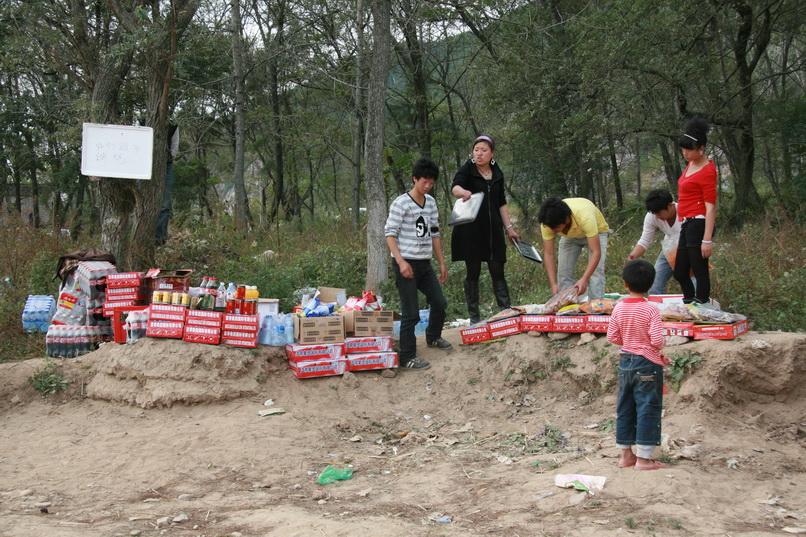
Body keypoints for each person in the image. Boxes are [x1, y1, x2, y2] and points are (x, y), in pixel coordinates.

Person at [385, 157, 452, 370]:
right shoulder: (401, 203)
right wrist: (400, 260)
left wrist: (441, 262)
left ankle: (433, 337)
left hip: (424, 262)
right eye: (424, 181)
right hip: (405, 263)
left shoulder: (430, 203)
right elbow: (389, 234)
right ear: (414, 179)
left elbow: (435, 233)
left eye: (431, 183)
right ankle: (407, 356)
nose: (427, 186)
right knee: (411, 312)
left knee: (439, 302)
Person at [607, 259, 669, 471]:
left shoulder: (618, 308)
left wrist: (629, 342)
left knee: (625, 407)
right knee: (647, 407)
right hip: (647, 365)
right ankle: (644, 459)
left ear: (625, 284)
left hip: (625, 362)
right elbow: (658, 341)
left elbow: (612, 336)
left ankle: (626, 456)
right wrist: (653, 348)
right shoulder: (651, 310)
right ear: (650, 284)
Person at [451, 135, 520, 324]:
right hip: (471, 231)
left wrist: (509, 229)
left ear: (492, 153)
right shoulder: (467, 169)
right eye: (476, 150)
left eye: (484, 150)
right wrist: (463, 192)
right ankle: (474, 318)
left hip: (493, 231)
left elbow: (501, 203)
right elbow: (455, 187)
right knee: (472, 272)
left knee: (497, 269)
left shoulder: (497, 173)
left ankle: (506, 313)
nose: (479, 153)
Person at [674, 117, 717, 304]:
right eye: (683, 148)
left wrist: (707, 239)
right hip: (687, 222)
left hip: (699, 222)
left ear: (701, 148)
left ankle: (702, 305)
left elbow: (710, 206)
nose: (685, 153)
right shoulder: (691, 163)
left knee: (699, 269)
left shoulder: (708, 170)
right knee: (680, 271)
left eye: (689, 149)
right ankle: (690, 302)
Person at [538, 197, 609, 299]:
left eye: (556, 228)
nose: (553, 231)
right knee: (563, 272)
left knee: (596, 273)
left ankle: (596, 308)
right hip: (570, 237)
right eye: (551, 228)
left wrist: (584, 279)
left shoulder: (585, 216)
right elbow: (549, 254)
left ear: (567, 218)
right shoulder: (547, 224)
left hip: (597, 232)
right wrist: (553, 284)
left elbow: (596, 252)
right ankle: (567, 308)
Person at [627, 189, 694, 295]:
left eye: (659, 212)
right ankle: (658, 310)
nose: (657, 216)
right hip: (669, 250)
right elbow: (645, 240)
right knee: (654, 286)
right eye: (654, 213)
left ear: (670, 206)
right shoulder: (651, 216)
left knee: (694, 287)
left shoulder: (687, 213)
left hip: (690, 250)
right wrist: (633, 255)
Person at [156, 124, 179, 245]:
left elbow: (175, 146)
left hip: (166, 165)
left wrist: (169, 156)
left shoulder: (173, 126)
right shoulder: (141, 120)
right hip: (145, 165)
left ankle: (160, 239)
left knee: (165, 204)